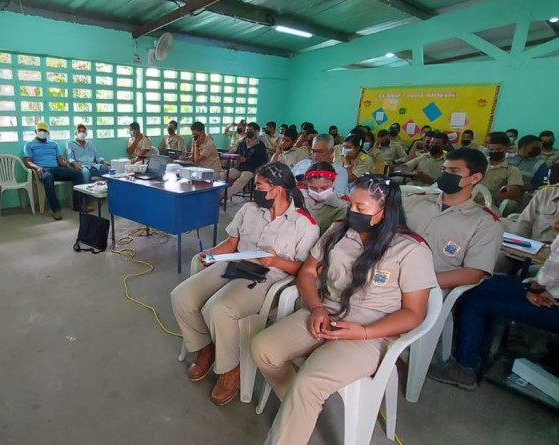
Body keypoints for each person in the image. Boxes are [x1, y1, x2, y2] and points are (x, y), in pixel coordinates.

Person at [251, 174, 438, 445]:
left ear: (385, 211)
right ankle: (301, 408)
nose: (353, 212)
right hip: (327, 313)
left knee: (310, 381)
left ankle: (298, 413)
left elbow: (413, 314)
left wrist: (364, 332)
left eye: (362, 208)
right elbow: (307, 273)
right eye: (351, 204)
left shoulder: (410, 249)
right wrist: (316, 307)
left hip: (371, 332)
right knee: (263, 348)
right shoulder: (339, 231)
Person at [171, 162, 320, 406]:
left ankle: (230, 368)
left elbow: (305, 270)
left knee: (219, 309)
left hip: (268, 276)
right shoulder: (250, 209)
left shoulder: (304, 224)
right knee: (182, 296)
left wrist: (277, 261)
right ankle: (204, 346)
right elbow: (231, 244)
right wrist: (211, 253)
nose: (256, 190)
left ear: (278, 189)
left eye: (260, 186)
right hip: (233, 262)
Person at [427, 219, 559, 391]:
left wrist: (536, 289)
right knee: (480, 283)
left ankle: (465, 367)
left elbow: (554, 265)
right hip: (548, 289)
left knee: (477, 303)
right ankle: (474, 349)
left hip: (551, 298)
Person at [403, 148, 502, 292]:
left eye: (454, 171)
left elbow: (473, 274)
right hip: (387, 277)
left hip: (430, 290)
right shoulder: (413, 202)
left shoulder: (485, 223)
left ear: (475, 178)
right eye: (444, 170)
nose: (446, 175)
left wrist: (415, 283)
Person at [23, 122, 85, 220]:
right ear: (36, 131)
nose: (42, 132)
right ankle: (56, 210)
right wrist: (37, 167)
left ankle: (78, 204)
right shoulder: (29, 145)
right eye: (40, 130)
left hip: (56, 169)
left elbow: (60, 160)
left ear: (48, 132)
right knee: (47, 178)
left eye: (45, 131)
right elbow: (28, 162)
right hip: (43, 170)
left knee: (77, 174)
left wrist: (69, 166)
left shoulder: (53, 144)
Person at [66, 123, 110, 210]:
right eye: (79, 131)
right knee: (85, 174)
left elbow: (97, 157)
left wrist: (103, 161)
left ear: (86, 133)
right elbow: (69, 158)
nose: (81, 133)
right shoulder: (70, 143)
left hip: (94, 166)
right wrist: (74, 163)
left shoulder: (90, 144)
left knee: (110, 171)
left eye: (83, 131)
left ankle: (111, 196)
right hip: (81, 166)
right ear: (75, 133)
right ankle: (89, 201)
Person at [481, 131, 523, 213]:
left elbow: (513, 191)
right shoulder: (479, 163)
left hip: (490, 204)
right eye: (491, 149)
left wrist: (487, 197)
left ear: (507, 148)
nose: (494, 152)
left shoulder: (512, 170)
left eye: (498, 149)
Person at [302, 162, 348, 235]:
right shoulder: (299, 197)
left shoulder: (341, 206)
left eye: (324, 188)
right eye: (313, 188)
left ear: (333, 182)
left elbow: (332, 237)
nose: (319, 191)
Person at [225, 122, 268, 200]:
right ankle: (217, 192)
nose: (248, 131)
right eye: (247, 130)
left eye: (250, 130)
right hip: (240, 167)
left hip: (251, 169)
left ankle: (224, 195)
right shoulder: (242, 142)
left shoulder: (260, 145)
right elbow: (238, 153)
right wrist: (235, 157)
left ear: (256, 131)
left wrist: (246, 159)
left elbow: (261, 161)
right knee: (224, 174)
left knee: (241, 179)